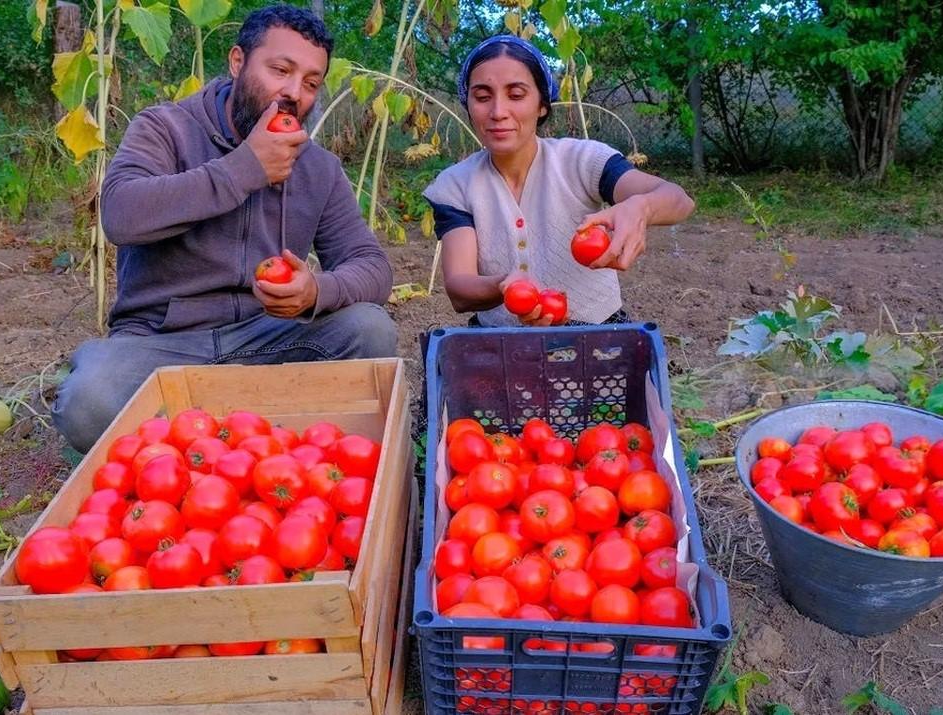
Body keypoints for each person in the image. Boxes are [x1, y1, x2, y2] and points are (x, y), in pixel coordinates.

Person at [53, 5, 397, 453]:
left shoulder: (318, 168)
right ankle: (257, 431)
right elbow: (120, 214)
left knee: (370, 330)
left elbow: (371, 266)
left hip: (264, 341)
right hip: (163, 347)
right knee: (89, 402)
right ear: (238, 63)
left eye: (311, 83)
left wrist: (316, 291)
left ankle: (204, 434)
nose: (294, 91)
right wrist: (245, 168)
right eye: (280, 70)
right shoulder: (166, 128)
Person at [423, 35, 695, 327]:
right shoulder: (455, 185)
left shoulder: (582, 161)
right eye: (482, 96)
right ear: (469, 104)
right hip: (500, 343)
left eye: (516, 95)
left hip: (598, 334)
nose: (498, 112)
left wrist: (641, 207)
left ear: (542, 104)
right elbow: (460, 289)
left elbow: (678, 200)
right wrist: (506, 286)